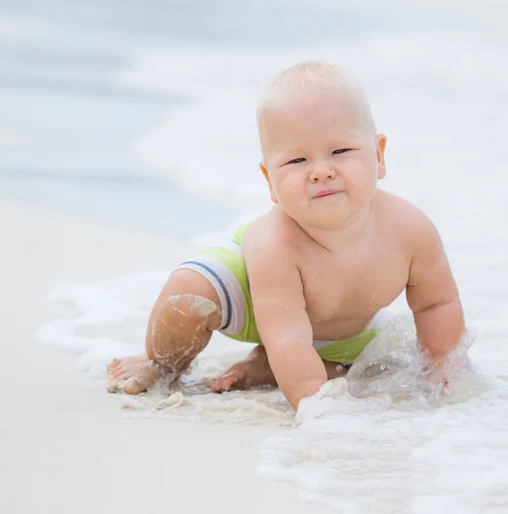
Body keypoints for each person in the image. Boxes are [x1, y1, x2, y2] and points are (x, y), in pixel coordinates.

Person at [107, 61, 465, 410]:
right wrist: (317, 411)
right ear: (270, 181)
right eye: (297, 162)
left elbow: (436, 304)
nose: (321, 172)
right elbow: (287, 336)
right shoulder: (275, 243)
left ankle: (267, 368)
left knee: (381, 363)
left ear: (378, 155)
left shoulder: (411, 230)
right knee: (189, 294)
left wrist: (442, 377)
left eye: (340, 151)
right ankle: (163, 362)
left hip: (343, 330)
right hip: (252, 299)